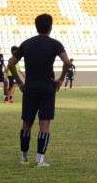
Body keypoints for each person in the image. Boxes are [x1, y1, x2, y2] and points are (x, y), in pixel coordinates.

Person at [8, 14, 71, 167]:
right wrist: (61, 79)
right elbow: (67, 63)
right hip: (47, 87)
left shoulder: (26, 44)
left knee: (26, 124)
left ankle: (24, 158)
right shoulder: (55, 44)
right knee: (44, 125)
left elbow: (11, 63)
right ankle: (39, 159)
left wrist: (20, 83)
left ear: (36, 26)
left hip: (29, 87)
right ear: (50, 27)